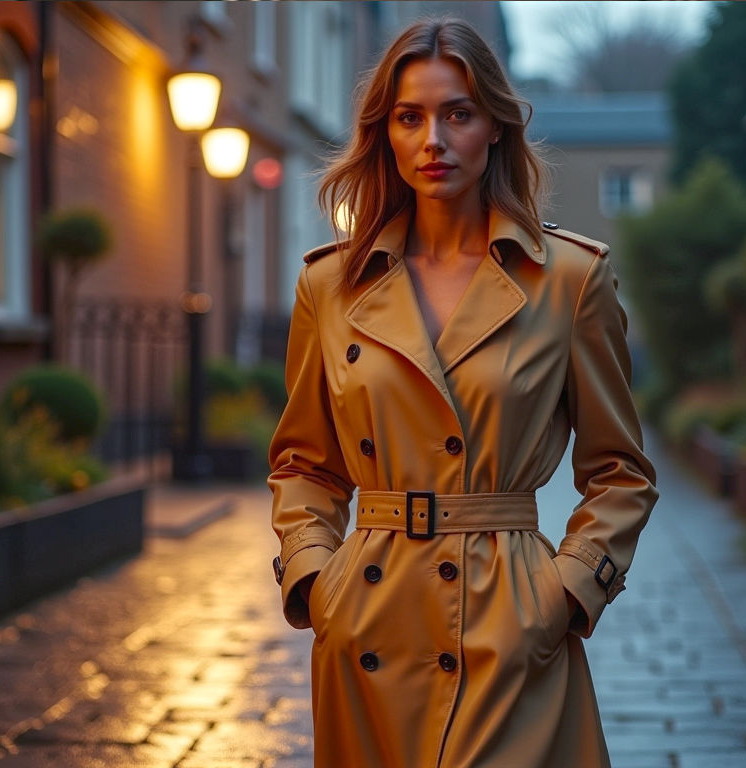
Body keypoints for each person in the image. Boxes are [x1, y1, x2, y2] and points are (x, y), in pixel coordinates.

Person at [268, 17, 659, 768]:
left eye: (458, 114)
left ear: (496, 127)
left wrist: (567, 592)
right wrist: (317, 578)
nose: (433, 140)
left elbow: (620, 472)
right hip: (369, 622)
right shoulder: (331, 284)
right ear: (384, 133)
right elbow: (304, 464)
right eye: (409, 117)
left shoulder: (568, 279)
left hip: (509, 618)